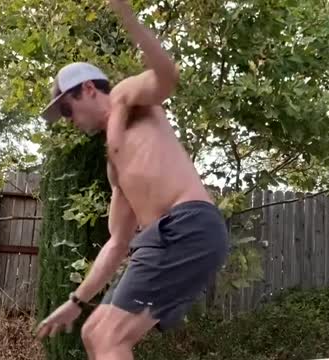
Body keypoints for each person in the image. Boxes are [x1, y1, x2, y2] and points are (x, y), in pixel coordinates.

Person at [34, 0, 229, 359]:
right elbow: (117, 243)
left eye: (66, 108)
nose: (67, 119)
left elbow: (167, 76)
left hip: (186, 226)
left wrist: (127, 15)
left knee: (109, 337)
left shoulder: (128, 97)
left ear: (89, 89)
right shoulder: (115, 165)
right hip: (161, 238)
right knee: (94, 332)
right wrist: (76, 301)